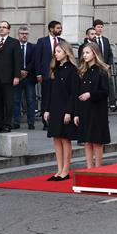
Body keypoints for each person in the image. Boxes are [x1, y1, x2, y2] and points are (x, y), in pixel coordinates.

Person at [44, 41, 78, 181]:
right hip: (54, 108)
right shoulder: (55, 69)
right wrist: (46, 109)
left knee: (65, 139)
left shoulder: (72, 70)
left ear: (66, 52)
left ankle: (65, 170)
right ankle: (59, 169)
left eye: (58, 51)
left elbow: (73, 93)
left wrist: (69, 112)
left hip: (65, 109)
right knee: (56, 138)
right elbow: (49, 92)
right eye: (55, 52)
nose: (56, 54)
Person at [74, 42, 111, 168]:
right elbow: (78, 94)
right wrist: (77, 113)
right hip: (85, 110)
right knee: (87, 141)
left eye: (87, 53)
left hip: (97, 110)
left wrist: (90, 94)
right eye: (83, 53)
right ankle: (89, 168)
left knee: (97, 141)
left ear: (94, 54)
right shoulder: (82, 71)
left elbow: (105, 92)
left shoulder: (102, 71)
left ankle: (98, 168)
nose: (84, 55)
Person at [35, 21, 64, 130]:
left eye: (60, 28)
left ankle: (56, 120)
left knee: (58, 98)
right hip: (46, 75)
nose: (60, 30)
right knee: (46, 98)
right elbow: (37, 59)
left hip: (59, 75)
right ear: (51, 29)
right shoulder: (42, 41)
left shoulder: (62, 41)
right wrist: (38, 73)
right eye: (58, 28)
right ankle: (46, 122)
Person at [0, 21, 21, 133]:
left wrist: (16, 76)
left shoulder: (14, 42)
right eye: (0, 27)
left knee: (8, 102)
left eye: (4, 27)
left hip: (8, 78)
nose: (1, 29)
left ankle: (7, 124)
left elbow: (17, 61)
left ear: (9, 30)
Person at [13, 26, 37, 130]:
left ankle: (31, 122)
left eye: (26, 33)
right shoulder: (14, 46)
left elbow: (34, 61)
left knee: (31, 101)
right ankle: (16, 122)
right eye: (22, 33)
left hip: (29, 78)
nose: (24, 35)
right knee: (16, 100)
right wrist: (19, 72)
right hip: (17, 77)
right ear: (18, 35)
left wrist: (26, 70)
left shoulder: (33, 47)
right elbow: (12, 61)